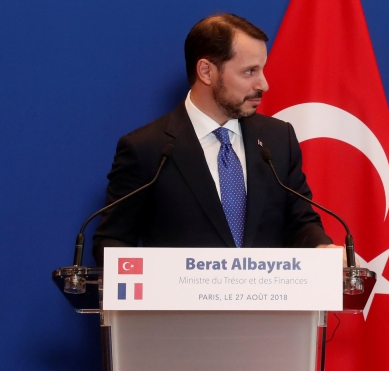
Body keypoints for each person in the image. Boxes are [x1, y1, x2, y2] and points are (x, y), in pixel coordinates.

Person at [93, 14, 337, 264]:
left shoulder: (277, 139)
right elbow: (113, 241)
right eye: (249, 71)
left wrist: (322, 248)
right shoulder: (147, 149)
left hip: (266, 302)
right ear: (206, 71)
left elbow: (300, 222)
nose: (264, 84)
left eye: (262, 69)